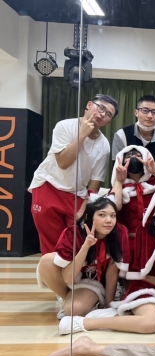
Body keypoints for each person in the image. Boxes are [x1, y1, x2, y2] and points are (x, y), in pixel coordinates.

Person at [57, 182, 155, 336]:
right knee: (151, 323)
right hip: (146, 287)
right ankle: (84, 322)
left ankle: (128, 317)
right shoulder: (148, 229)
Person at [29, 94, 118, 255]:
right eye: (101, 108)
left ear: (109, 121)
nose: (102, 114)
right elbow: (63, 163)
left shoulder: (104, 145)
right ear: (89, 105)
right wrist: (82, 134)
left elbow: (96, 181)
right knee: (52, 246)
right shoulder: (65, 126)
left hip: (76, 195)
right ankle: (52, 272)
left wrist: (84, 208)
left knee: (77, 243)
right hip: (48, 186)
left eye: (108, 114)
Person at [36, 196, 130, 317]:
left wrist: (108, 306)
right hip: (72, 279)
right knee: (47, 260)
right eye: (102, 215)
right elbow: (68, 278)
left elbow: (112, 272)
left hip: (96, 284)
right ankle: (67, 298)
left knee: (74, 310)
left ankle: (87, 304)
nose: (109, 220)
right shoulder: (73, 233)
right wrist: (85, 246)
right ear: (89, 216)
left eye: (113, 216)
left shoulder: (119, 232)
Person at [111, 95, 155, 175]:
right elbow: (117, 168)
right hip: (125, 181)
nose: (149, 116)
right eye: (145, 111)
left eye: (154, 112)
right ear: (136, 112)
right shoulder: (122, 135)